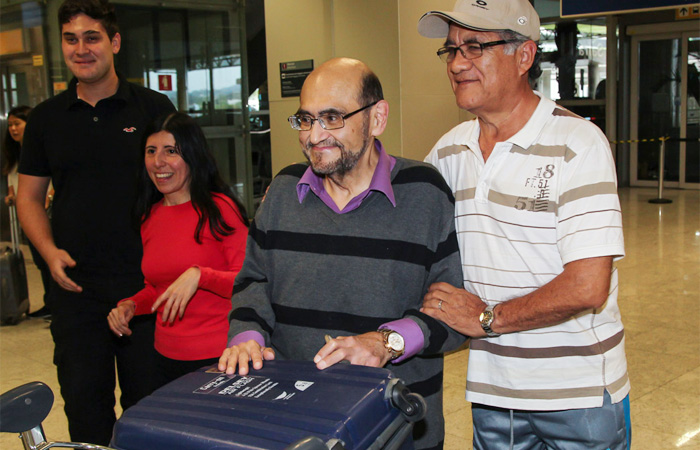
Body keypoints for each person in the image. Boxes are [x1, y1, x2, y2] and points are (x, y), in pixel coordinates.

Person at [218, 57, 466, 450]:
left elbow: (454, 312)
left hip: (397, 428)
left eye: (332, 118)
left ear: (377, 118)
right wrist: (247, 335)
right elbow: (254, 281)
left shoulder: (425, 193)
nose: (314, 136)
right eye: (305, 119)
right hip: (297, 423)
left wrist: (386, 343)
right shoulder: (282, 192)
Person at [417, 1, 631, 449]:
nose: (457, 63)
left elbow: (588, 285)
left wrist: (488, 318)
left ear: (524, 56)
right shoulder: (447, 153)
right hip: (493, 394)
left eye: (474, 47)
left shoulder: (577, 144)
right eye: (451, 50)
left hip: (579, 396)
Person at [16, 0, 175, 444]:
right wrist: (48, 253)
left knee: (152, 407)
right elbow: (28, 197)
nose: (81, 49)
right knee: (85, 406)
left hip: (145, 285)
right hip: (76, 291)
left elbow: (182, 182)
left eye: (92, 37)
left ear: (115, 42)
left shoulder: (151, 108)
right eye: (71, 39)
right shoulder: (46, 119)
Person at [107, 112, 248, 389]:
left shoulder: (220, 209)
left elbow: (249, 282)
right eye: (151, 151)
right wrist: (131, 305)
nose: (159, 162)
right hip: (164, 357)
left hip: (220, 357)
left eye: (171, 151)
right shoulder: (150, 217)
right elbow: (159, 288)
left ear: (192, 156)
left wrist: (201, 275)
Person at [2, 105, 53, 319]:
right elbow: (13, 180)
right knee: (40, 261)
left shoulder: (43, 147)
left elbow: (52, 180)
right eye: (11, 124)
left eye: (18, 124)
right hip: (27, 212)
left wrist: (48, 197)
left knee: (49, 258)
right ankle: (49, 302)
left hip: (46, 212)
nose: (13, 129)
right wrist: (12, 196)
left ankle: (55, 303)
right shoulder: (14, 153)